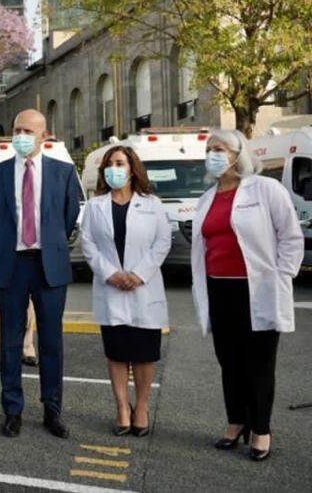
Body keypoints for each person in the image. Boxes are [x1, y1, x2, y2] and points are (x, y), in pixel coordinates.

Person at [191, 129, 302, 462]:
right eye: (209, 149)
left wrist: (281, 275)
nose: (213, 154)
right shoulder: (207, 198)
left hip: (257, 288)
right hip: (219, 288)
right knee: (229, 361)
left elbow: (291, 237)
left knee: (259, 363)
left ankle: (261, 429)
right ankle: (236, 421)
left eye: (219, 149)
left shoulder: (265, 188)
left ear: (238, 154)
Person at [0, 109, 80, 439]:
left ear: (44, 135)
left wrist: (46, 243)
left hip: (48, 266)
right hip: (11, 264)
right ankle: (12, 410)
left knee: (51, 342)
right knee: (11, 341)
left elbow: (67, 218)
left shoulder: (64, 172)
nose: (21, 135)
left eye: (28, 130)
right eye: (16, 129)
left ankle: (52, 409)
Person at [80, 146, 171, 437]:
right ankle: (121, 408)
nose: (114, 168)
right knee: (117, 354)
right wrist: (111, 274)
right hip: (112, 288)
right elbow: (88, 244)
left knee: (144, 354)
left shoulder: (152, 203)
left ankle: (141, 407)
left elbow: (162, 242)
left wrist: (138, 274)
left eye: (120, 163)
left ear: (133, 168)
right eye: (109, 164)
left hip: (143, 288)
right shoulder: (95, 206)